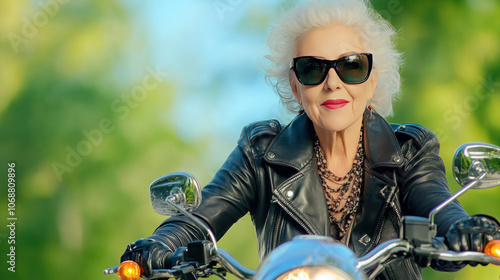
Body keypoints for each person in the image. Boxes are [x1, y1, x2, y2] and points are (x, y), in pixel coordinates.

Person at [121, 0, 500, 279]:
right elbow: (200, 221)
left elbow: (437, 205)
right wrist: (160, 246)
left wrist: (464, 229)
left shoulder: (409, 151)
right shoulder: (260, 154)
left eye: (351, 66)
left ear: (372, 80)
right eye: (312, 68)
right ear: (295, 85)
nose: (332, 82)